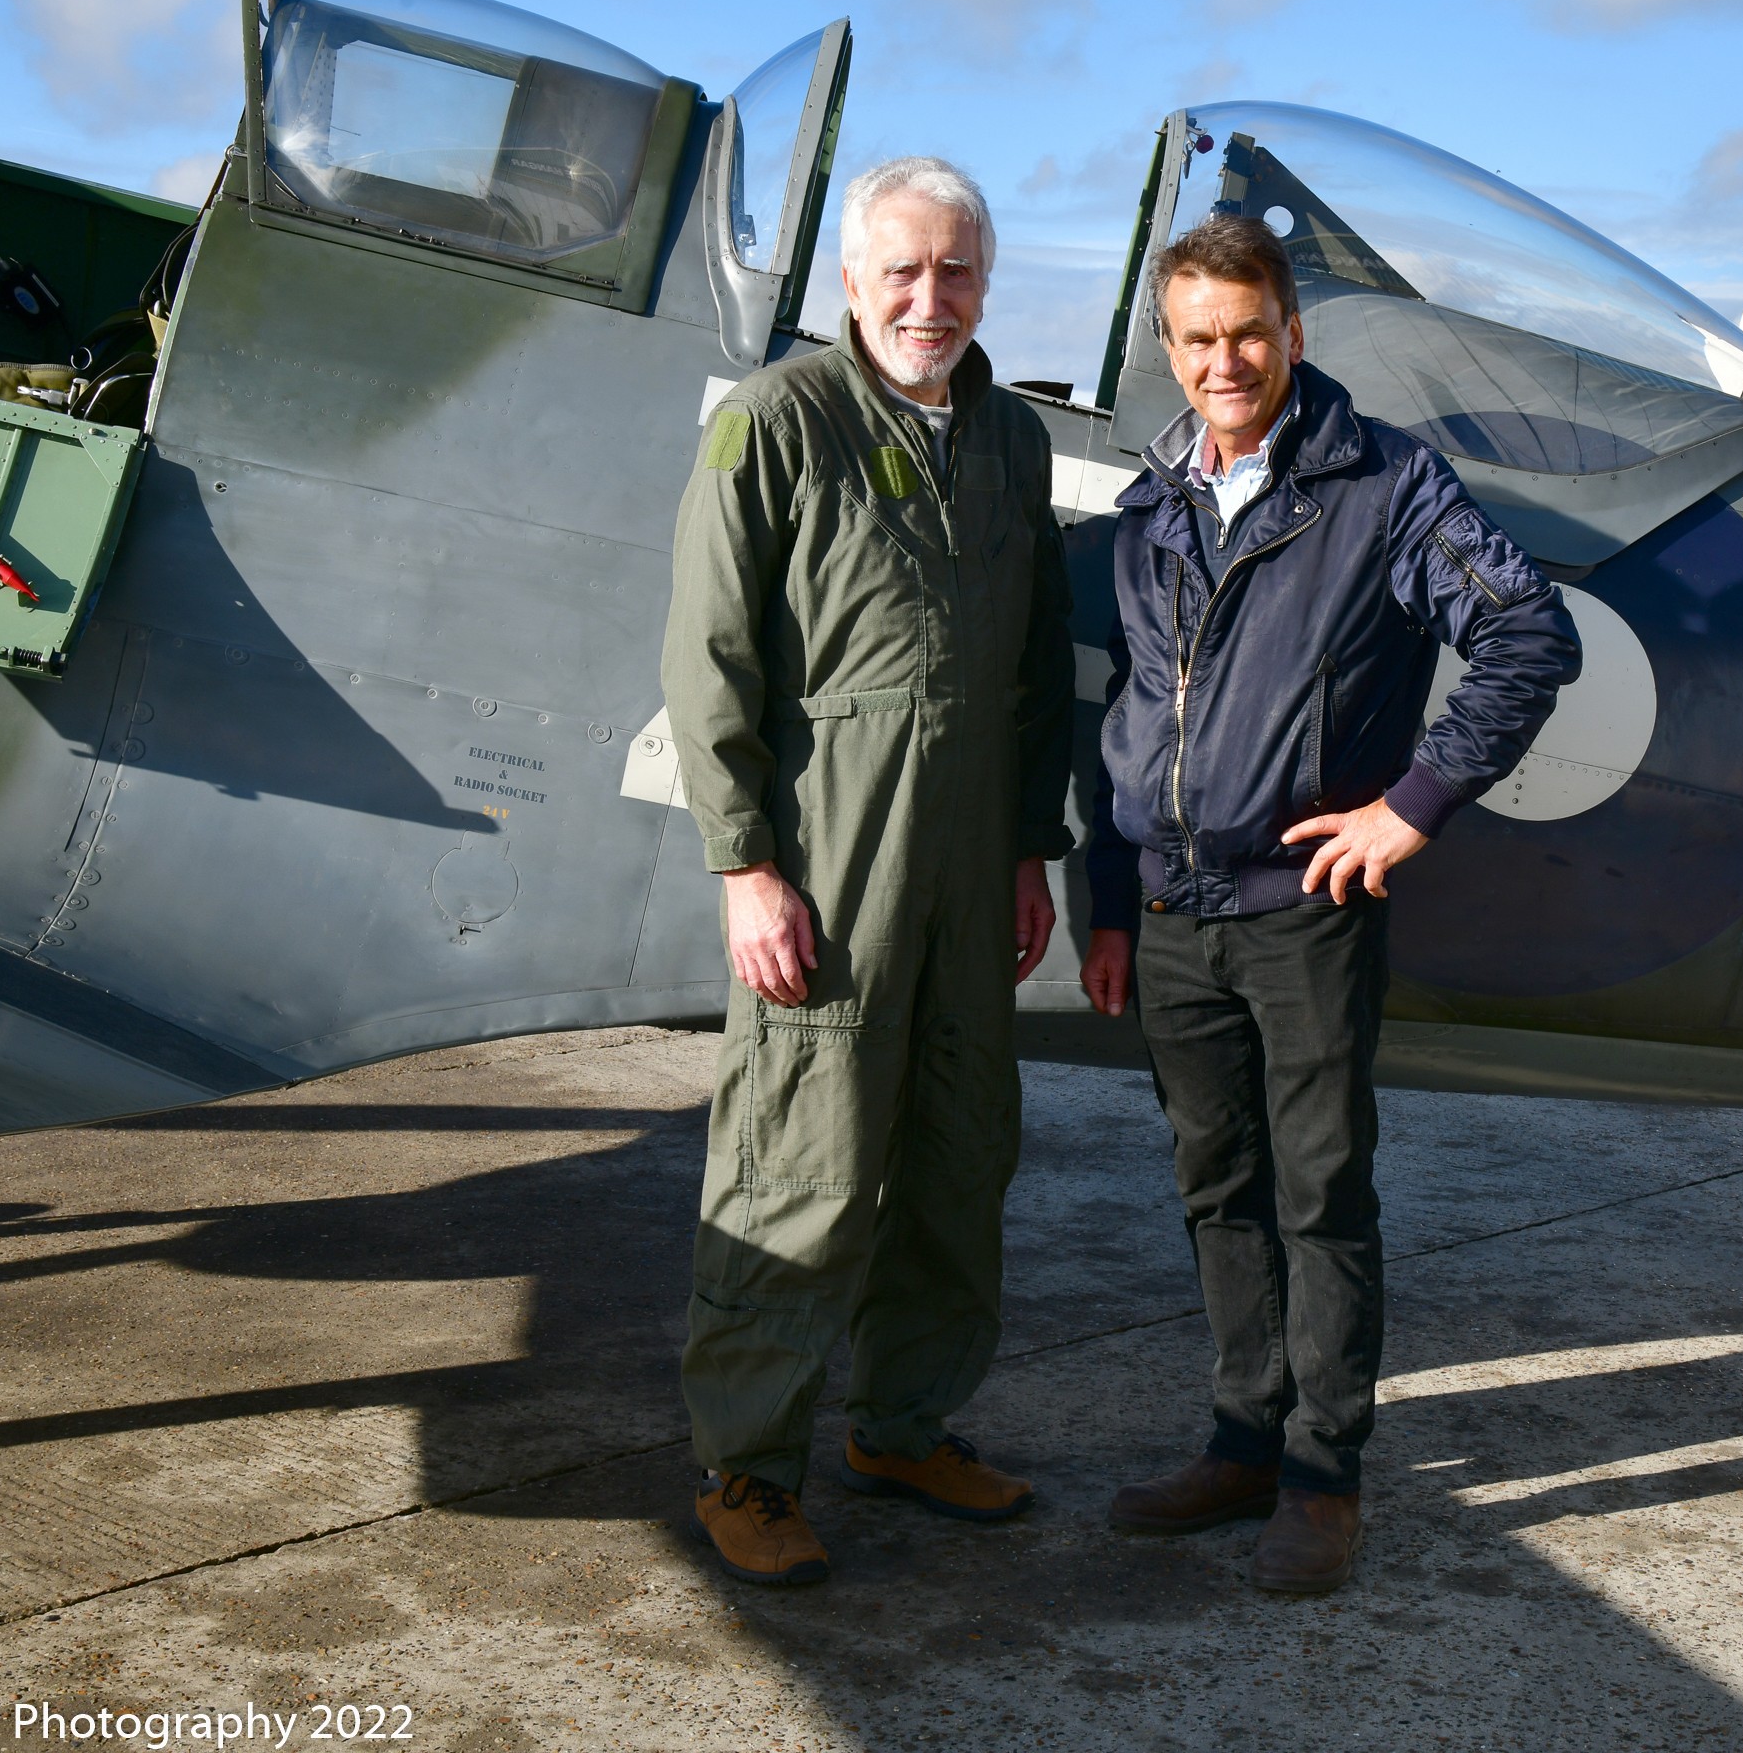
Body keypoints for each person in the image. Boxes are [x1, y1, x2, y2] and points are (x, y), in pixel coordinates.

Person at [1079, 213, 1579, 1593]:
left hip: (1302, 910)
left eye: (1248, 333)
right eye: (1197, 339)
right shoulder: (1152, 502)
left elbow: (1529, 632)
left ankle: (1322, 1474)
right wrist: (1108, 899)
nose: (1224, 361)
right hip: (1174, 915)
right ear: (1169, 350)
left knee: (1319, 1192)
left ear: (1293, 334)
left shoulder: (1386, 485)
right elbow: (1125, 712)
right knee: (1216, 1185)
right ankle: (1240, 1443)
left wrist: (1412, 806)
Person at [663, 155, 1075, 1588]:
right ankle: (748, 1468)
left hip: (972, 861)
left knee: (962, 1157)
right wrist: (746, 867)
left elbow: (1034, 673)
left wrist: (1033, 848)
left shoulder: (1008, 441)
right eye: (901, 270)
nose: (930, 298)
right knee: (803, 1163)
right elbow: (709, 659)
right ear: (850, 281)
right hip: (831, 854)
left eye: (957, 272)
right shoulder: (777, 422)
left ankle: (904, 1425)